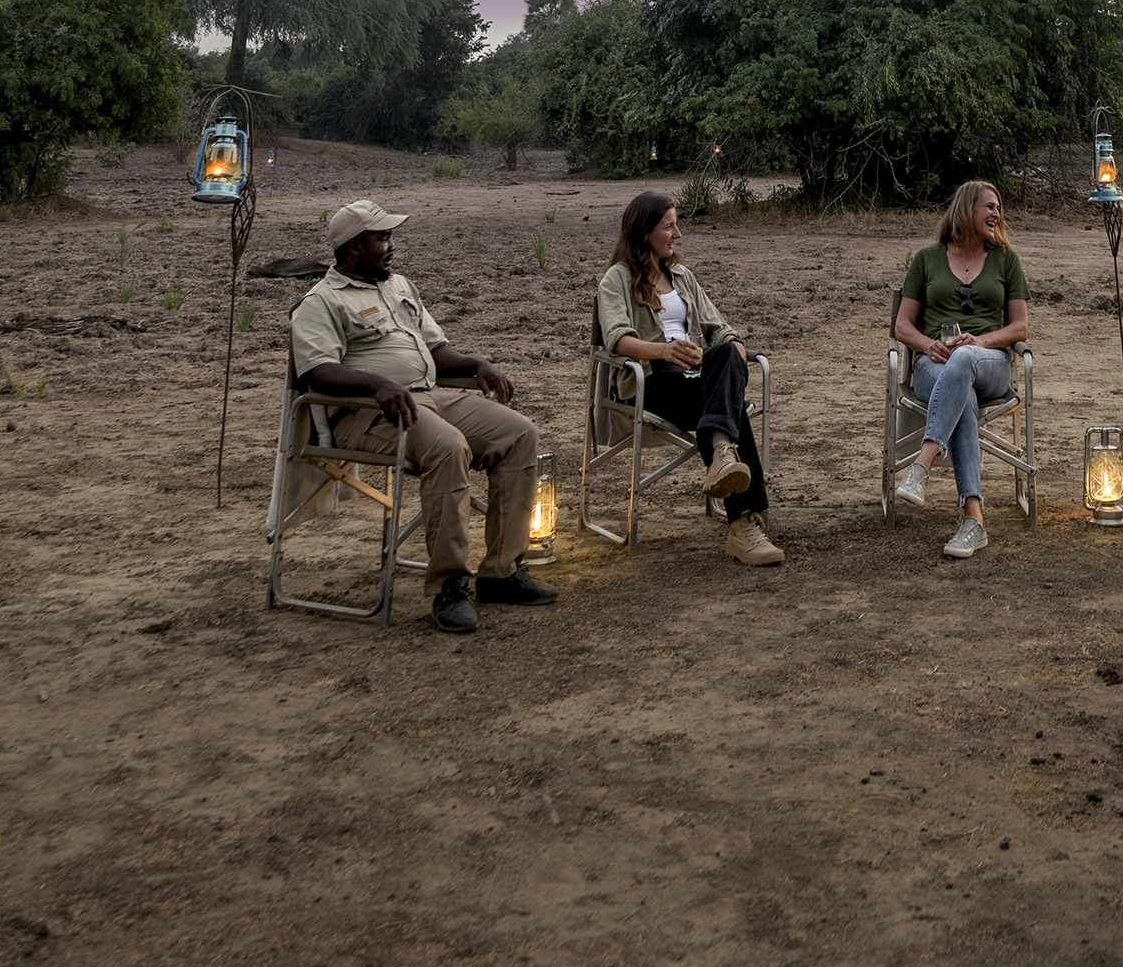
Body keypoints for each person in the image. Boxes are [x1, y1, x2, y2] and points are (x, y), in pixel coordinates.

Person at [290, 199, 557, 634]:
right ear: (355, 247)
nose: (391, 246)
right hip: (370, 413)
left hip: (429, 396)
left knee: (519, 432)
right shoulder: (321, 302)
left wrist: (476, 363)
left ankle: (501, 572)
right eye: (382, 238)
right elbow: (317, 371)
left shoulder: (398, 287)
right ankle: (449, 585)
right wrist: (377, 385)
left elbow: (436, 351)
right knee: (449, 447)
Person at [596, 190, 784, 567]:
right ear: (644, 231)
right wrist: (663, 350)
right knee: (731, 409)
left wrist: (732, 343)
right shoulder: (615, 280)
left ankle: (722, 458)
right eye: (669, 226)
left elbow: (719, 328)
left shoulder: (682, 276)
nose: (678, 234)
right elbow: (617, 338)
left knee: (729, 352)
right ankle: (742, 518)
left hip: (696, 375)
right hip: (651, 380)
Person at [892, 179, 1030, 559]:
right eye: (989, 206)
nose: (996, 213)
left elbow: (1020, 328)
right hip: (933, 366)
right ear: (966, 209)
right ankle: (973, 518)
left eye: (998, 207)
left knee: (965, 359)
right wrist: (927, 344)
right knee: (961, 392)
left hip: (990, 363)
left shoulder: (1006, 260)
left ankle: (923, 462)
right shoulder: (926, 259)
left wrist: (981, 341)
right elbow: (903, 325)